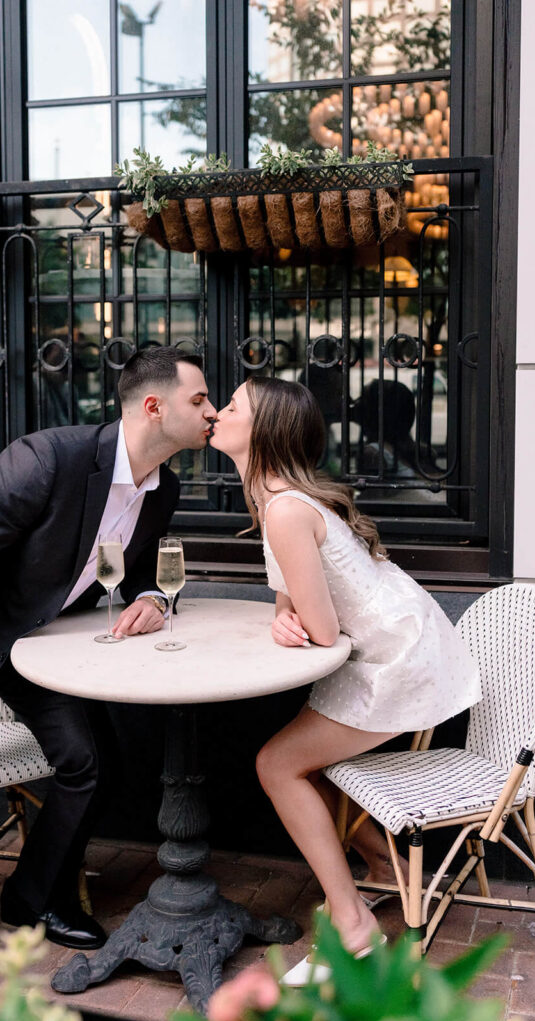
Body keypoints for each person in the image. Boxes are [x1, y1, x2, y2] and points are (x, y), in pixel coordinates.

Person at [0, 347, 217, 973]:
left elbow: (135, 572)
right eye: (201, 400)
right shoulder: (46, 459)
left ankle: (35, 895)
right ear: (155, 408)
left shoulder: (164, 488)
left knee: (92, 764)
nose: (212, 412)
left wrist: (157, 599)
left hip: (36, 640)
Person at [209, 376, 480, 983]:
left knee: (277, 764)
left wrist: (295, 621)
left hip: (398, 662)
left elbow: (324, 633)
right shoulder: (276, 497)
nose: (219, 412)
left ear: (265, 431)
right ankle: (381, 867)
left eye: (232, 406)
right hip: (398, 644)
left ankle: (356, 927)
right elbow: (293, 599)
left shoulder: (282, 507)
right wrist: (285, 617)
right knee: (294, 761)